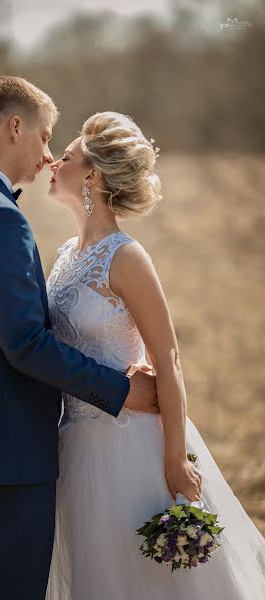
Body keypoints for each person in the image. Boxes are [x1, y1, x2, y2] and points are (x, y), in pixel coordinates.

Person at [0, 78, 159, 600]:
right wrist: (120, 391)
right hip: (9, 443)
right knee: (14, 589)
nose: (48, 155)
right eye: (46, 138)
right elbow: (24, 343)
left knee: (3, 581)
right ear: (15, 127)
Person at [45, 111, 265, 600]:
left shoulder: (126, 256)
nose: (52, 162)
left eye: (66, 156)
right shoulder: (64, 255)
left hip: (131, 444)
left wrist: (173, 461)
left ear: (92, 176)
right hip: (75, 445)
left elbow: (168, 360)